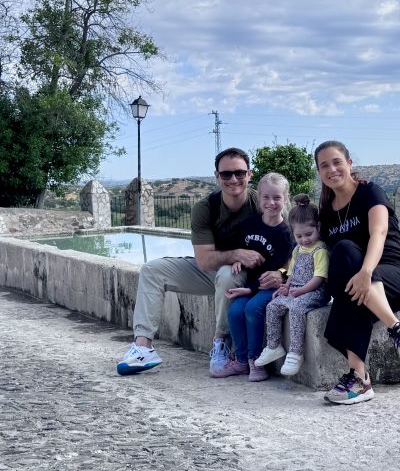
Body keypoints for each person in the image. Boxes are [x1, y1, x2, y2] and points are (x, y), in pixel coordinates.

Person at [117, 147, 277, 376]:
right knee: (152, 270)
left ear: (249, 175)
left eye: (240, 173)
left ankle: (221, 343)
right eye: (226, 174)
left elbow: (290, 241)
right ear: (217, 176)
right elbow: (203, 260)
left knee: (227, 274)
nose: (233, 179)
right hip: (213, 270)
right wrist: (237, 254)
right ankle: (143, 349)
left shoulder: (262, 203)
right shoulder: (205, 208)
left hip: (248, 276)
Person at [314, 140, 400, 406]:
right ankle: (363, 375)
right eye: (324, 165)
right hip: (358, 283)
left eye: (337, 162)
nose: (332, 169)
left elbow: (379, 232)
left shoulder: (370, 192)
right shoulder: (327, 214)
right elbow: (316, 252)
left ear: (349, 164)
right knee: (345, 268)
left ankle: (391, 335)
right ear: (319, 172)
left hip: (396, 273)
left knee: (349, 256)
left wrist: (366, 271)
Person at [221, 173, 294, 382]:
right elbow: (237, 247)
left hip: (270, 286)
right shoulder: (249, 224)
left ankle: (256, 361)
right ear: (259, 198)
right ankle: (241, 360)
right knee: (235, 311)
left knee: (253, 309)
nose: (271, 203)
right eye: (266, 197)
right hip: (251, 284)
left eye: (277, 198)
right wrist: (236, 258)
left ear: (286, 199)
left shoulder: (286, 233)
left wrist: (250, 290)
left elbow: (282, 270)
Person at [254, 195, 329, 378]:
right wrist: (286, 287)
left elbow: (319, 277)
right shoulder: (297, 250)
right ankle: (274, 346)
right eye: (299, 236)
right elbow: (292, 272)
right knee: (273, 306)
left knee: (296, 309)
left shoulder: (320, 250)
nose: (304, 240)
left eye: (308, 234)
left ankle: (296, 353)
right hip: (296, 289)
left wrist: (301, 291)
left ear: (317, 228)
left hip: (314, 292)